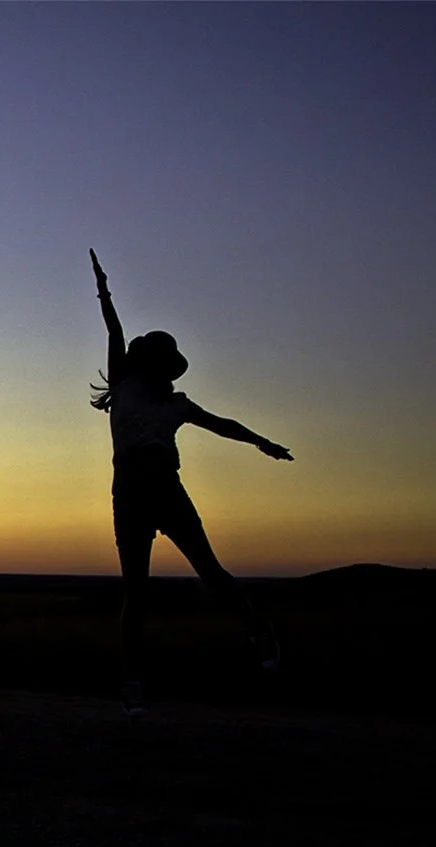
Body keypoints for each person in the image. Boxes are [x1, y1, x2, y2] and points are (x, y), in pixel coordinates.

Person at [88, 248, 291, 718]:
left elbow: (223, 424)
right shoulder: (123, 385)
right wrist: (103, 290)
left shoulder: (177, 405)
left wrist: (263, 443)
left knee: (211, 572)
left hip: (166, 491)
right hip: (129, 495)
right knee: (134, 593)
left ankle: (259, 631)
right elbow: (113, 331)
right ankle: (132, 680)